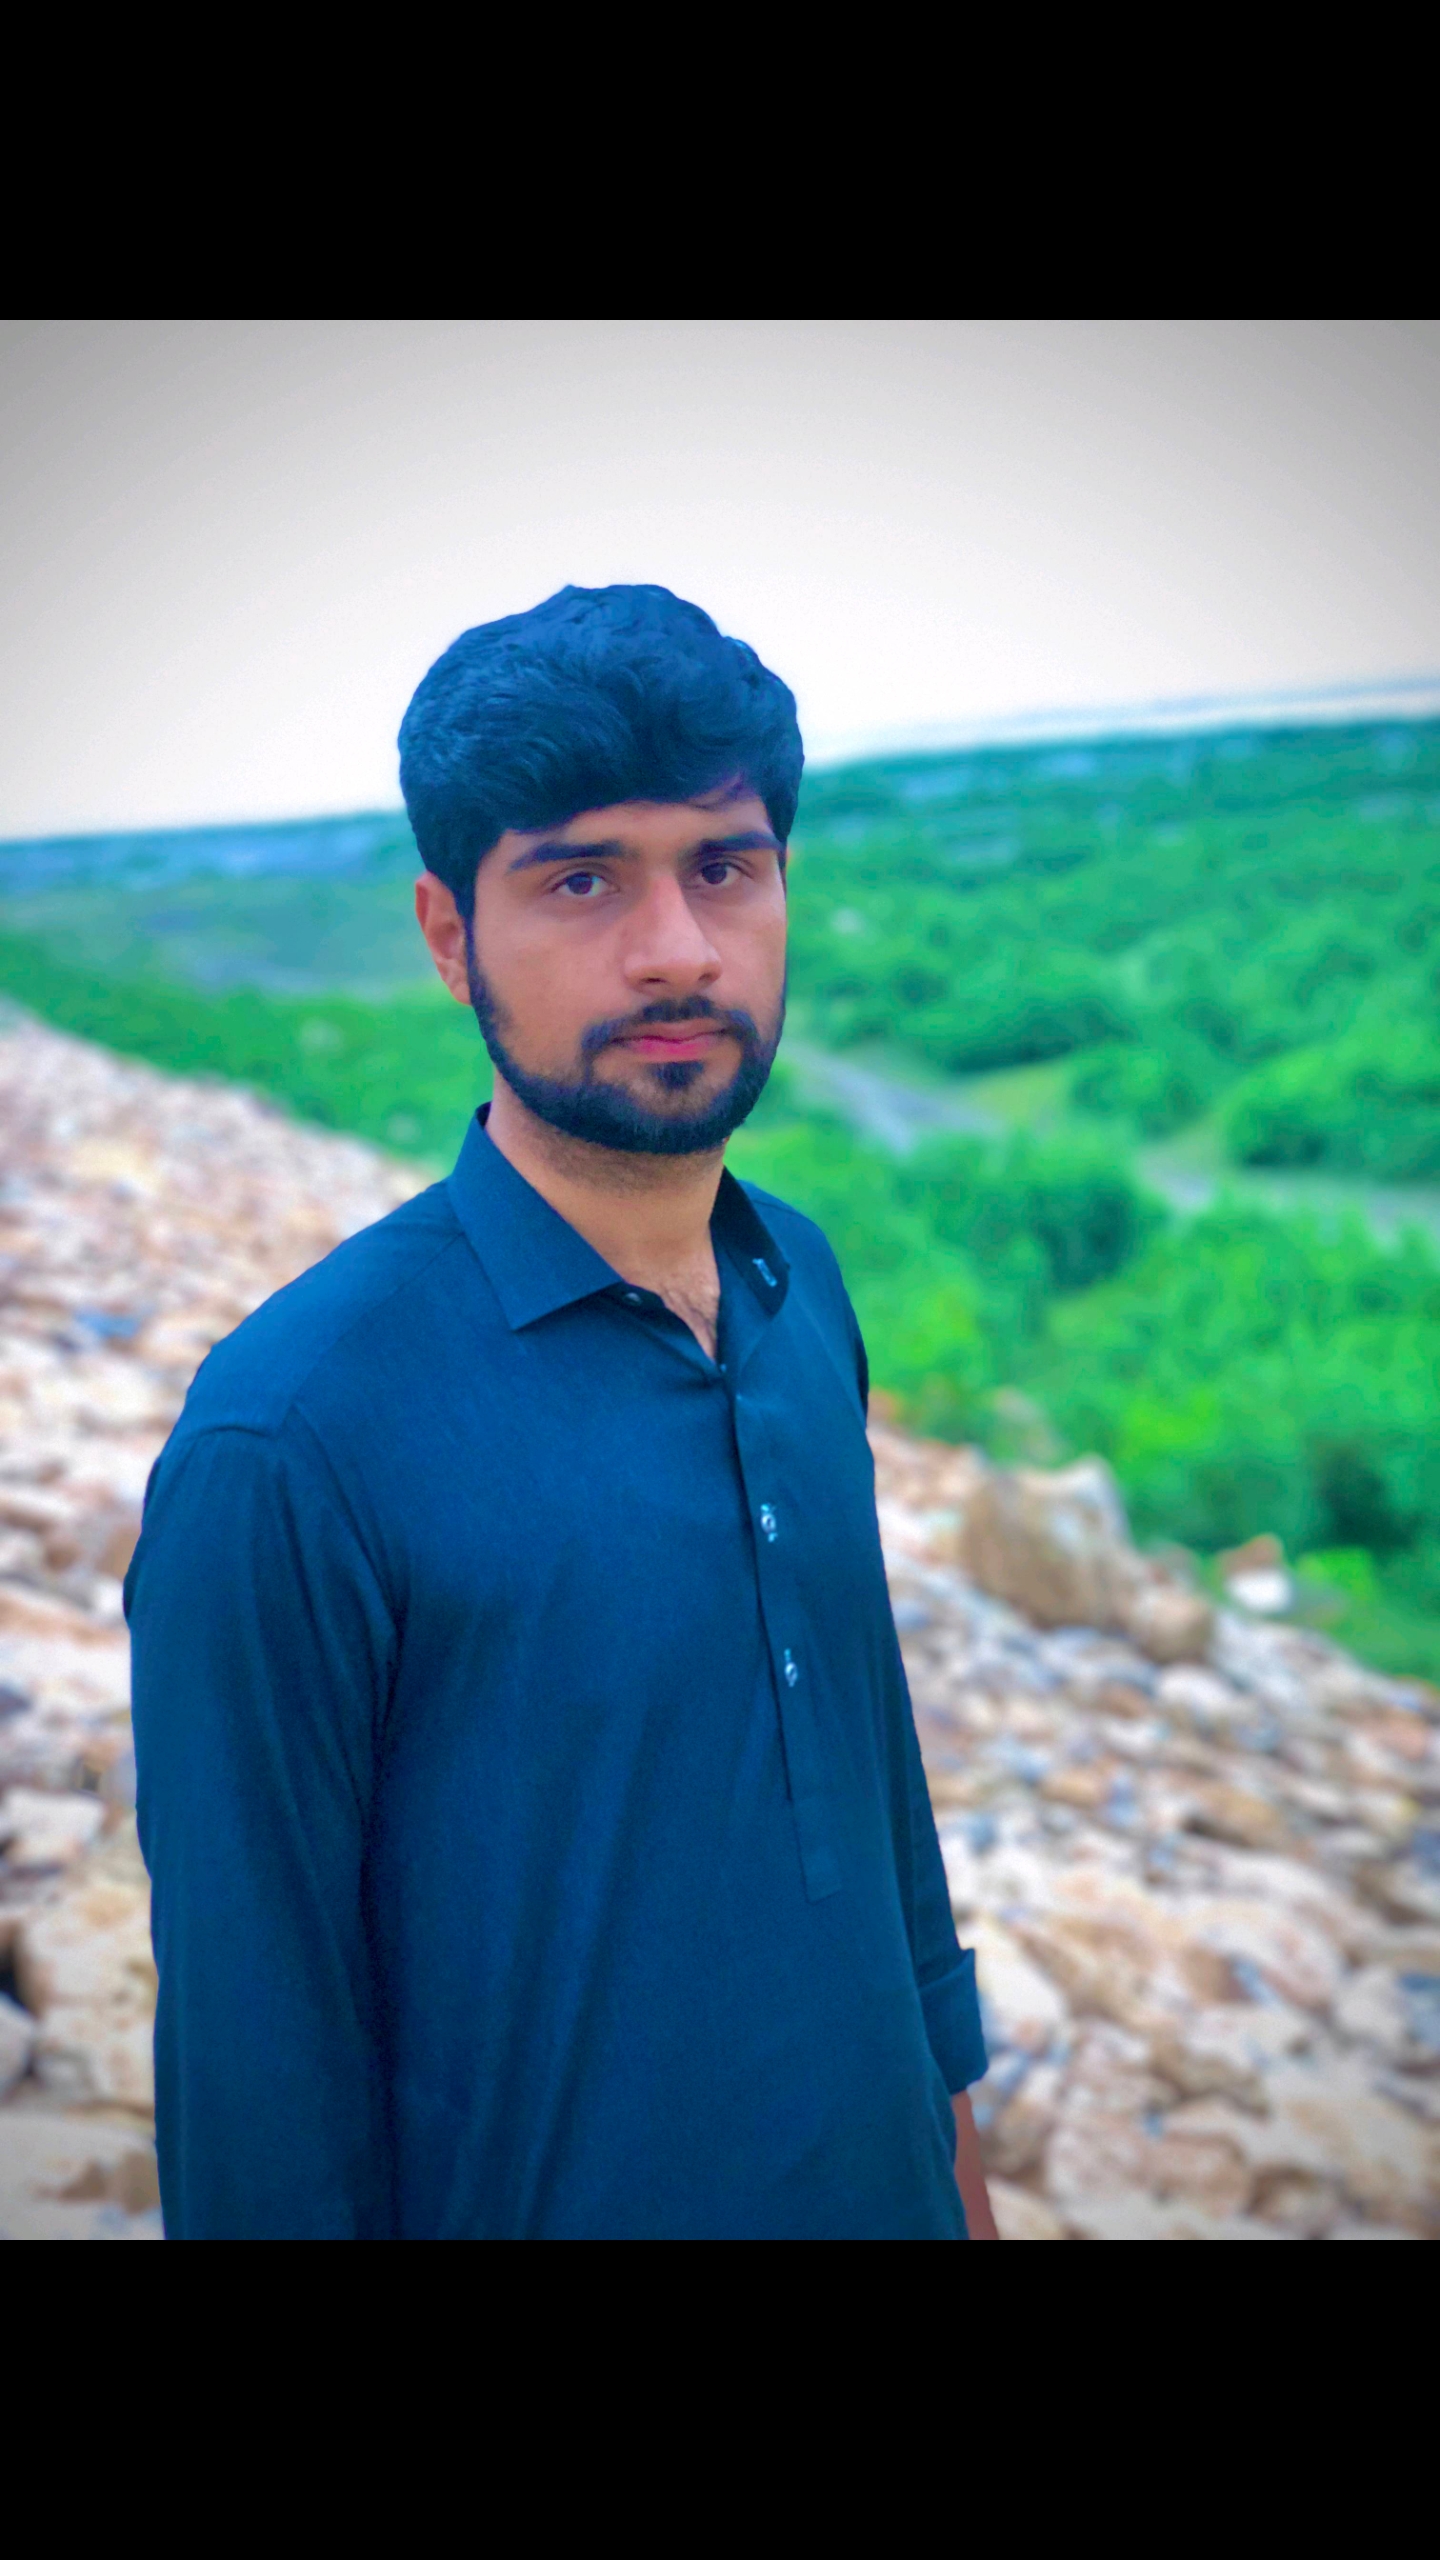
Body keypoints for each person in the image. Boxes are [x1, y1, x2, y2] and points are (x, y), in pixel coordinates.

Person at [127, 583, 997, 2239]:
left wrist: (958, 2180)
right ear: (449, 933)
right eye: (582, 878)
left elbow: (880, 1803)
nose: (676, 948)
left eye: (723, 868)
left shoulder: (798, 1290)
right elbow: (256, 2094)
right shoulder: (292, 1443)